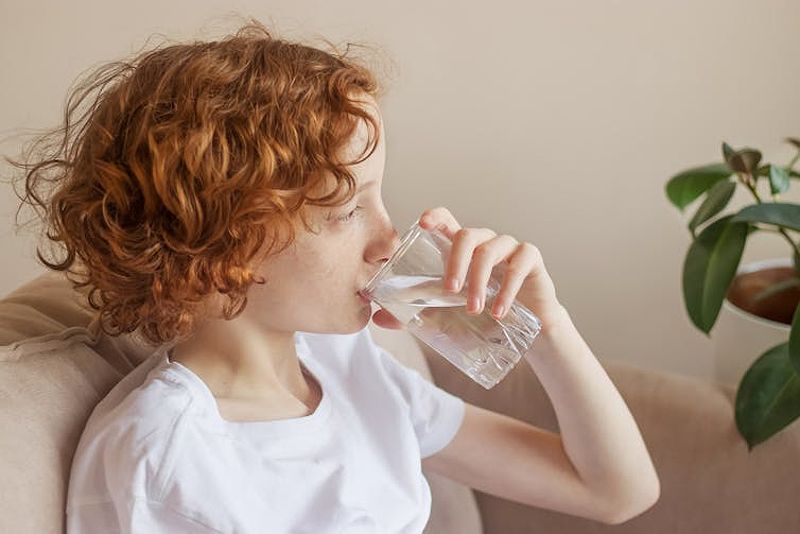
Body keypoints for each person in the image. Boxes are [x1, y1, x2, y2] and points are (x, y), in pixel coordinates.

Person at [10, 19, 660, 534]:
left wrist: (544, 327)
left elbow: (615, 492)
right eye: (348, 209)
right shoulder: (163, 456)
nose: (389, 239)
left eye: (381, 199)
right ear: (220, 245)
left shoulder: (354, 371)